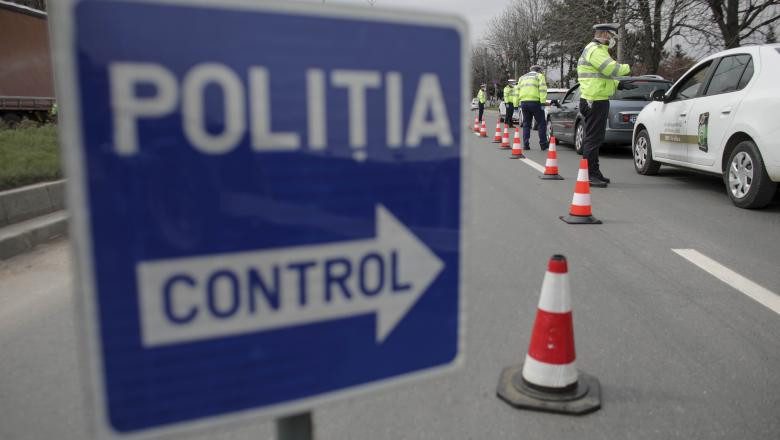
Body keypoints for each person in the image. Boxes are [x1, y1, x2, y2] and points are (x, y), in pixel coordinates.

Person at [576, 23, 631, 187]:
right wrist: (628, 67)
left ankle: (594, 172)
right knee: (593, 139)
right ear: (605, 34)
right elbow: (611, 69)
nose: (613, 40)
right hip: (594, 100)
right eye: (612, 36)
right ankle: (590, 174)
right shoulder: (596, 50)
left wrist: (618, 85)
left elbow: (600, 78)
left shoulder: (594, 49)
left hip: (595, 99)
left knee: (595, 138)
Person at [517, 65, 549, 150]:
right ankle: (543, 144)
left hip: (524, 102)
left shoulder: (522, 77)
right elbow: (542, 90)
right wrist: (542, 102)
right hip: (535, 102)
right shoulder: (539, 76)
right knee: (541, 123)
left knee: (526, 124)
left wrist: (517, 104)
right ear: (538, 70)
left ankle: (526, 145)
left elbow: (517, 90)